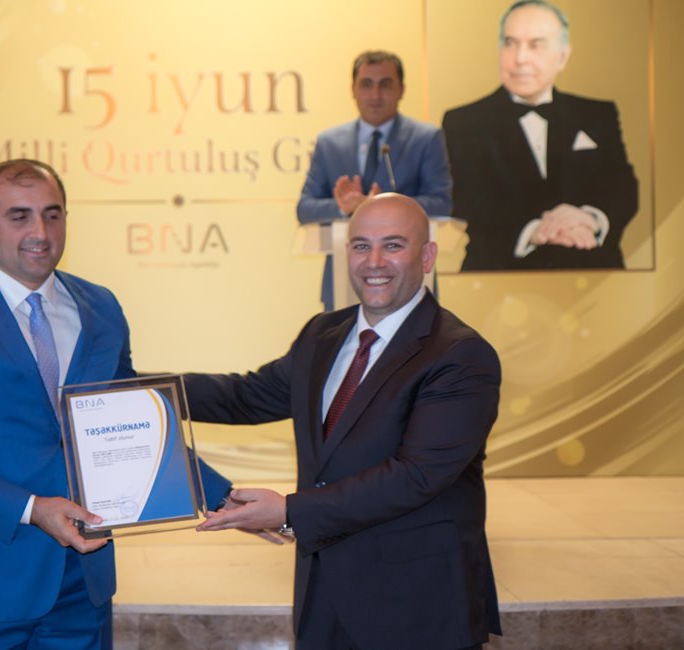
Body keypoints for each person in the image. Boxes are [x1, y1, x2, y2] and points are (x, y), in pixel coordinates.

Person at [0, 159, 231, 650]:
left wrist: (220, 494)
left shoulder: (101, 307)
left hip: (83, 583)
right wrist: (32, 509)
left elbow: (132, 421)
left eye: (52, 214)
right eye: (19, 216)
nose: (40, 232)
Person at [188, 193, 502, 649]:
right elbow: (245, 397)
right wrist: (144, 391)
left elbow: (416, 475)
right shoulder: (322, 334)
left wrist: (290, 511)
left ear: (427, 256)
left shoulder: (460, 355)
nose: (374, 262)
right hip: (325, 600)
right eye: (360, 246)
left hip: (419, 608)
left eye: (393, 245)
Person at [442, 0, 638, 271]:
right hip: (498, 276)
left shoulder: (597, 114)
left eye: (536, 45)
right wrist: (534, 231)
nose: (520, 58)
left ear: (563, 55)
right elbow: (463, 199)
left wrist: (589, 219)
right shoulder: (463, 121)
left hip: (594, 272)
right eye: (510, 43)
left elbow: (623, 186)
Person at [298, 50, 452, 310]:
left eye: (385, 85)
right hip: (344, 284)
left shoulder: (426, 138)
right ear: (353, 89)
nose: (375, 95)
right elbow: (304, 208)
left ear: (402, 90)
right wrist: (343, 207)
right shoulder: (330, 143)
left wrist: (381, 205)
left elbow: (441, 203)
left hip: (408, 282)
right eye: (366, 84)